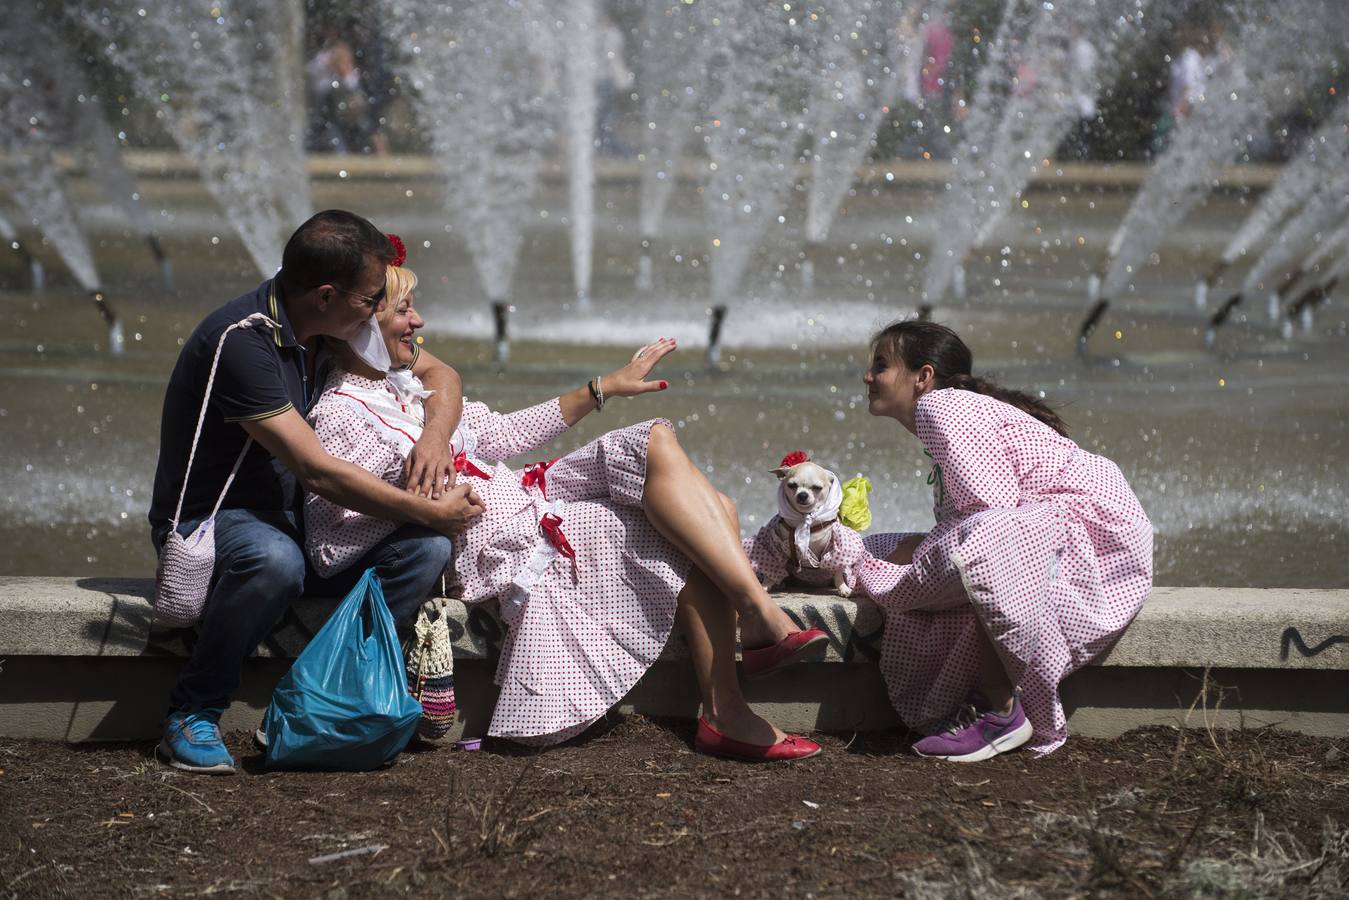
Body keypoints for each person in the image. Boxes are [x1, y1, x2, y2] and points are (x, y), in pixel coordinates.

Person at [304, 259, 826, 760]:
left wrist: (602, 388)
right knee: (705, 515)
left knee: (659, 442)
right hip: (503, 542)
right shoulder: (340, 414)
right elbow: (329, 543)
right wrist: (424, 509)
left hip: (533, 499)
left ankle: (751, 631)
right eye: (402, 310)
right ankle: (732, 695)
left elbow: (502, 434)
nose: (418, 321)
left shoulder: (409, 386)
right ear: (358, 323)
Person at [148, 211, 484, 775]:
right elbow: (317, 471)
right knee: (275, 563)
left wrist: (433, 438)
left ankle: (319, 695)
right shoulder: (243, 342)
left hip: (301, 521)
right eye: (372, 298)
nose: (380, 310)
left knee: (424, 550)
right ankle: (193, 711)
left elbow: (442, 375)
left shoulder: (332, 327)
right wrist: (432, 508)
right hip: (220, 519)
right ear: (327, 295)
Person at [855, 320, 1152, 761]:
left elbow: (989, 515)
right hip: (1061, 528)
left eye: (881, 364)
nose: (868, 376)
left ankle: (999, 710)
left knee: (969, 543)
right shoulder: (951, 413)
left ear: (923, 376)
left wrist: (920, 568)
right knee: (872, 551)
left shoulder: (942, 408)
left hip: (1092, 529)